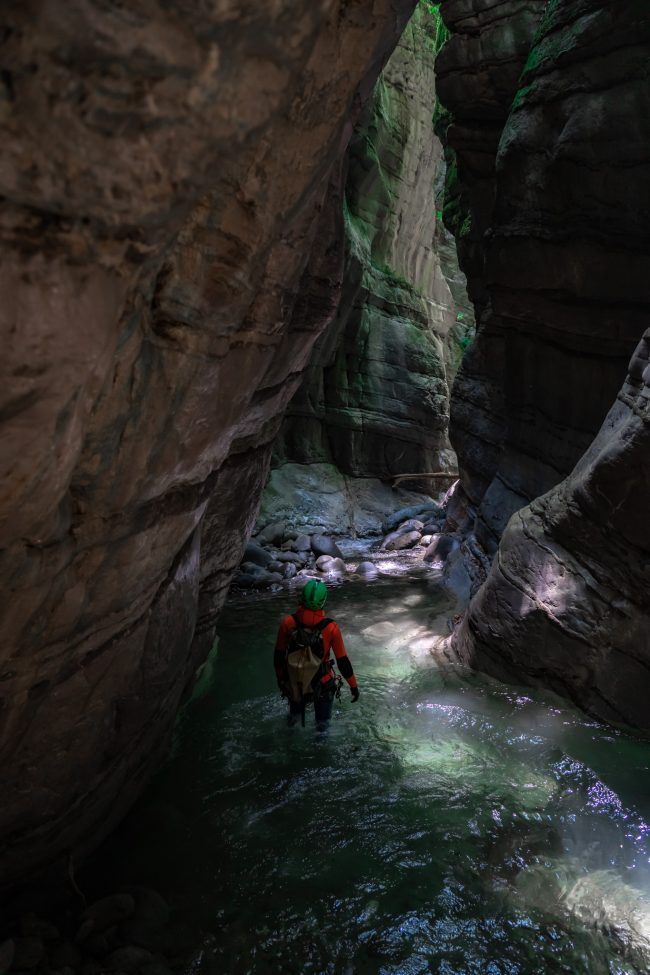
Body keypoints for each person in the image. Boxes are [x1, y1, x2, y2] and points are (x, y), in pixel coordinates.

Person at [274, 580, 359, 727]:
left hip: (296, 681)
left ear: (302, 598)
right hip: (323, 682)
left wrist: (282, 680)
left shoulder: (288, 622)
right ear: (323, 601)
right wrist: (353, 686)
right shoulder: (331, 627)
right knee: (323, 726)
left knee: (294, 721)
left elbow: (278, 657)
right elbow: (342, 661)